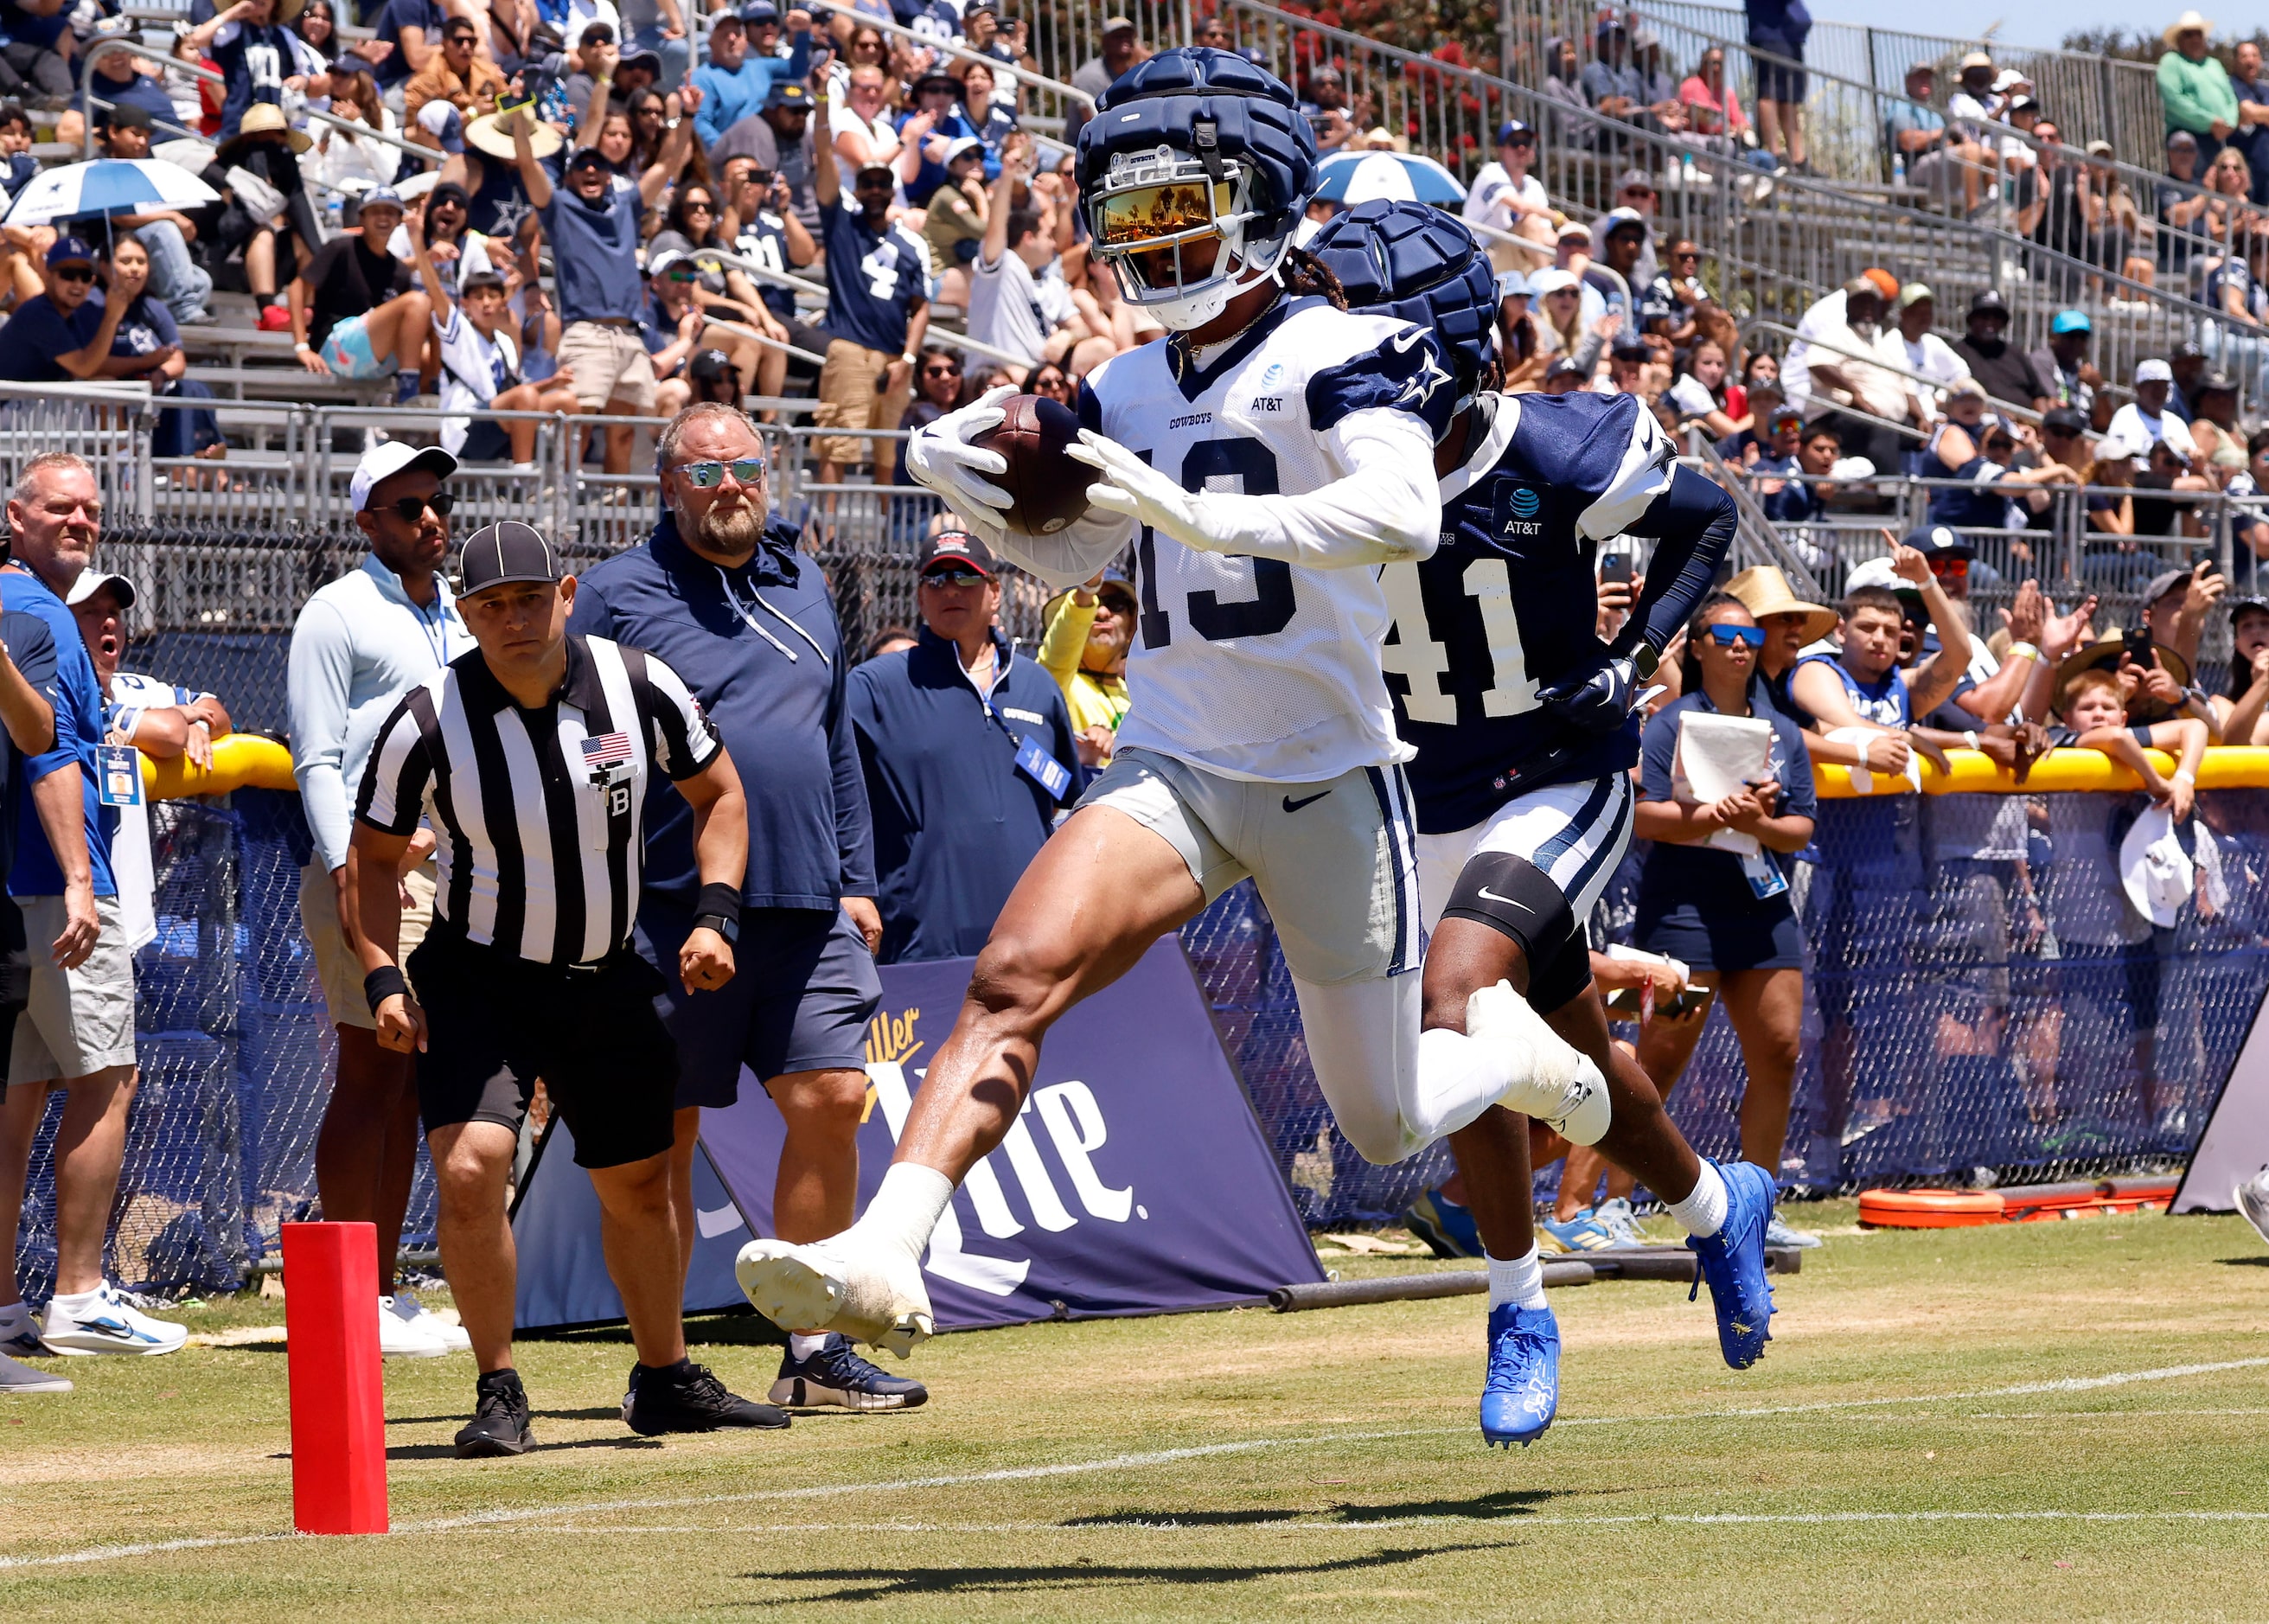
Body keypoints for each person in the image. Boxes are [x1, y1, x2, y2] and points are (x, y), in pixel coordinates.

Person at [749, 51, 1624, 1402]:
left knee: (1383, 1114)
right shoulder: (1133, 384)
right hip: (1175, 757)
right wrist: (963, 477)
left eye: (1183, 208)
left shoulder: (1343, 347)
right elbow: (1085, 544)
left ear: (1266, 201)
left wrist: (1200, 513)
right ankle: (886, 1243)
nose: (1154, 242)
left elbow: (1402, 515)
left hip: (1330, 772)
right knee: (1009, 979)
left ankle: (1510, 1051)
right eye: (1135, 216)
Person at [1305, 200, 1770, 1442]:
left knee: (1460, 1002)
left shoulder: (1558, 449)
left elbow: (1706, 517)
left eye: (1354, 320)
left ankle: (1517, 1309)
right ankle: (1721, 1211)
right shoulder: (1314, 454)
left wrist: (1629, 656)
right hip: (1420, 791)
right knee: (1579, 1068)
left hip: (1559, 776)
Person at [355, 520, 783, 1453]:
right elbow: (373, 865)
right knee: (471, 1167)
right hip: (476, 977)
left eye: (529, 597)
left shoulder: (641, 686)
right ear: (465, 616)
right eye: (490, 605)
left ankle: (664, 1377)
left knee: (638, 1183)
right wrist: (384, 974)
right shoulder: (426, 719)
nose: (513, 618)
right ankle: (499, 1388)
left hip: (606, 975)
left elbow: (722, 797)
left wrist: (715, 916)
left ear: (569, 591)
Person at [569, 404, 923, 1415]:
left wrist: (853, 877)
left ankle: (811, 1351)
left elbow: (832, 740)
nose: (728, 486)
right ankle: (668, 1366)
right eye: (704, 471)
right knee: (663, 1140)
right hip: (669, 914)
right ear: (665, 486)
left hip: (809, 907)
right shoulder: (615, 594)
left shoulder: (804, 580)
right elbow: (572, 733)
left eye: (744, 469)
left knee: (830, 1102)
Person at [287, 441, 475, 1359]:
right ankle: (341, 1296)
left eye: (438, 501)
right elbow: (315, 757)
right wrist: (346, 868)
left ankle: (382, 1287)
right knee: (369, 1075)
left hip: (449, 874)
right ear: (368, 523)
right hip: (372, 873)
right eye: (409, 508)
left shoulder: (454, 611)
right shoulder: (335, 612)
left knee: (404, 1081)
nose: (431, 518)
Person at [0, 454, 183, 1360]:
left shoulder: (30, 610)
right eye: (61, 508)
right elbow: (48, 755)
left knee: (16, 1104)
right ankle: (78, 1295)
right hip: (59, 893)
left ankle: (8, 1311)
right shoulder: (35, 614)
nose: (81, 521)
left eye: (92, 510)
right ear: (16, 515)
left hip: (16, 896)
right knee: (108, 1081)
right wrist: (81, 876)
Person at [1563, 593, 1817, 1246]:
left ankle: (1757, 1207)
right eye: (1725, 632)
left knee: (1781, 1050)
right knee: (1659, 1059)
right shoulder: (1671, 723)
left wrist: (1757, 822)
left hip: (1760, 912)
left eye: (1750, 634)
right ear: (1697, 646)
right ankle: (1616, 1205)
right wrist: (1711, 816)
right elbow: (1640, 814)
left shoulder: (1783, 730)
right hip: (1682, 912)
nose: (1740, 644)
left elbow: (1800, 827)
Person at [849, 529, 1080, 962]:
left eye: (966, 576)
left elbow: (1063, 799)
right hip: (924, 938)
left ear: (995, 592)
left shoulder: (1037, 686)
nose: (950, 588)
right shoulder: (875, 687)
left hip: (1031, 937)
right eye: (935, 580)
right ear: (920, 598)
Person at [508, 104, 691, 476]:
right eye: (582, 166)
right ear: (571, 175)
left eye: (599, 166)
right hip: (586, 332)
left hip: (629, 335)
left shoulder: (625, 205)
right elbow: (528, 166)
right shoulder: (558, 206)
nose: (591, 171)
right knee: (579, 429)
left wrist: (687, 114)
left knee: (623, 434)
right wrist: (517, 116)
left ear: (609, 175)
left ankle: (615, 524)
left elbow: (669, 163)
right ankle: (562, 515)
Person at [63, 571, 232, 972]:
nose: (108, 622)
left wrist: (201, 723)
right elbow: (171, 733)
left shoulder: (134, 686)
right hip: (81, 903)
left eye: (114, 613)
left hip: (127, 907)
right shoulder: (71, 696)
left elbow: (218, 712)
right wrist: (183, 720)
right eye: (91, 611)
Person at [810, 112, 930, 486]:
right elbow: (824, 158)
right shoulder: (842, 224)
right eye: (868, 183)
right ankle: (829, 534)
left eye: (882, 183)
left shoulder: (910, 244)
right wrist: (823, 103)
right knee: (837, 443)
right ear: (857, 189)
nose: (875, 190)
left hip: (894, 359)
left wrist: (909, 359)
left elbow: (921, 305)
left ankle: (882, 531)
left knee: (886, 450)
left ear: (893, 191)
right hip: (850, 350)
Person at [288, 185, 433, 393]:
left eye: (390, 212)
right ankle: (408, 392)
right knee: (418, 301)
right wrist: (301, 347)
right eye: (375, 212)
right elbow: (296, 288)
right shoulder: (341, 249)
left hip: (376, 357)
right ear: (361, 218)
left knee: (434, 326)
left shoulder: (399, 270)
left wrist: (418, 240)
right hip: (335, 348)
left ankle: (420, 411)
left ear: (399, 219)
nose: (383, 218)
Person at [90, 105, 214, 328]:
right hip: (102, 253)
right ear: (113, 132)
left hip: (136, 254)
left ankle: (161, 327)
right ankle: (182, 310)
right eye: (136, 134)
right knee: (163, 229)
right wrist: (173, 217)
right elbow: (121, 218)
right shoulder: (99, 167)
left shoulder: (143, 168)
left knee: (201, 282)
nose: (142, 143)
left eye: (146, 137)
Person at [0, 238, 143, 386]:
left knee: (107, 385)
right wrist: (112, 317)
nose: (78, 284)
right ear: (48, 277)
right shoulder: (38, 312)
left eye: (85, 276)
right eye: (68, 274)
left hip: (34, 402)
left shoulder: (72, 316)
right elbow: (83, 367)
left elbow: (91, 366)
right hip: (9, 404)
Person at [1038, 570, 1134, 767]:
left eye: (1115, 603)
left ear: (1132, 629)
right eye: (1093, 603)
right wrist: (1086, 589)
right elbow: (1062, 645)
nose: (1102, 612)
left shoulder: (1136, 696)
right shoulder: (1057, 680)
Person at [2159, 10, 2237, 168]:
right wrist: (2210, 121)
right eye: (2189, 34)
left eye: (2198, 34)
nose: (2195, 38)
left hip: (2217, 138)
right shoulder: (2171, 62)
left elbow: (2231, 98)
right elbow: (2174, 99)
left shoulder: (2214, 65)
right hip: (2187, 138)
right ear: (2179, 39)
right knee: (2195, 189)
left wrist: (2230, 123)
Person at [1952, 290, 2049, 413]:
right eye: (1984, 316)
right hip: (1985, 423)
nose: (1990, 323)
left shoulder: (2016, 353)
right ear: (1971, 320)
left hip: (2028, 424)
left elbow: (2038, 395)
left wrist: (2044, 425)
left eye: (1997, 317)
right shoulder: (1957, 353)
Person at [403, 13, 504, 127]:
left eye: (471, 41)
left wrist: (516, 95)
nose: (466, 47)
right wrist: (472, 113)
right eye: (459, 41)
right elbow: (419, 129)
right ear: (444, 43)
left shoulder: (487, 71)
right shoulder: (428, 79)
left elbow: (505, 98)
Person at [1743, 0, 1808, 170]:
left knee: (1790, 98)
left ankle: (1798, 159)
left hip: (1791, 37)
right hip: (1769, 33)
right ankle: (1775, 155)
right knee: (1769, 93)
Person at [2106, 357, 2201, 467]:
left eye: (2162, 386)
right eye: (2152, 386)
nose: (2158, 392)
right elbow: (2119, 460)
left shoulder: (2176, 423)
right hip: (2141, 480)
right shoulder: (2125, 416)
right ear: (2139, 388)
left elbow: (2191, 458)